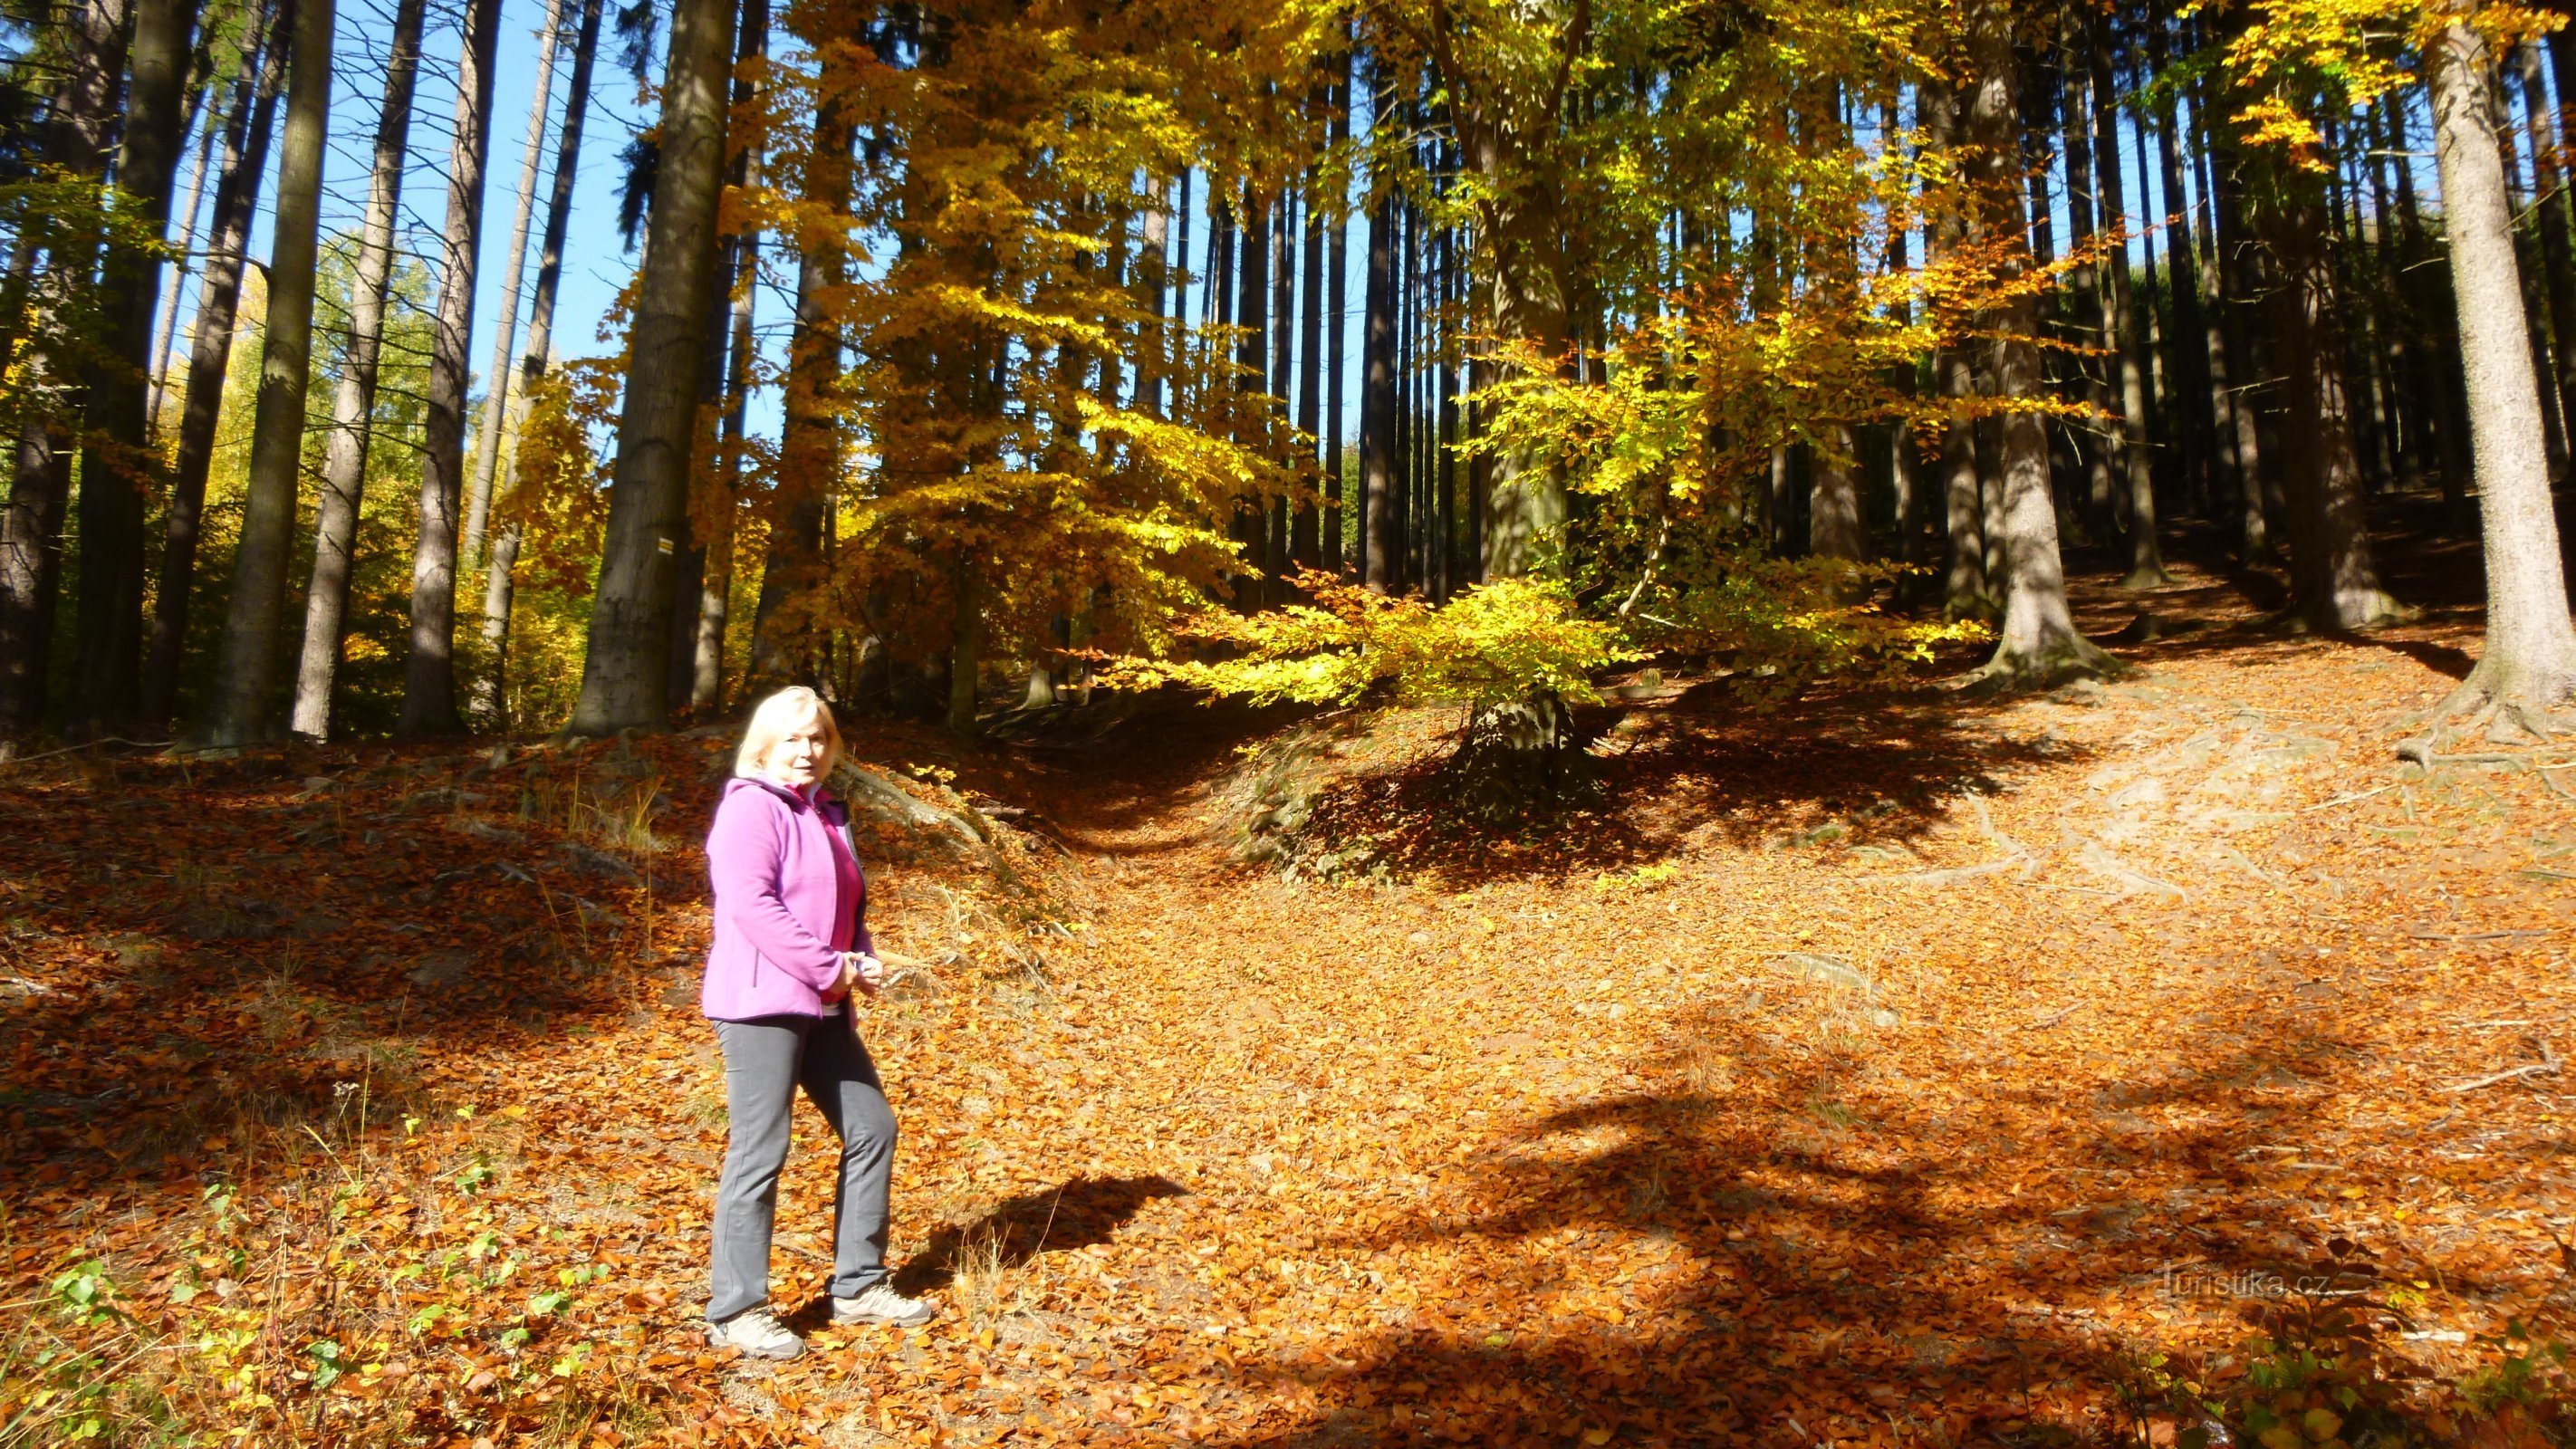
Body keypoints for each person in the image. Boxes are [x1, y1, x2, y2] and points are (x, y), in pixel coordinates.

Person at [701, 686, 937, 1359]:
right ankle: (737, 1310)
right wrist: (830, 967)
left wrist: (856, 958)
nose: (807, 751)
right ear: (765, 744)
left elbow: (840, 902)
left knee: (872, 1129)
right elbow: (751, 904)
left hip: (825, 1003)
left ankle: (858, 1286)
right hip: (761, 1004)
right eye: (794, 739)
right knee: (760, 1152)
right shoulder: (751, 809)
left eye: (819, 738)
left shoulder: (828, 812)